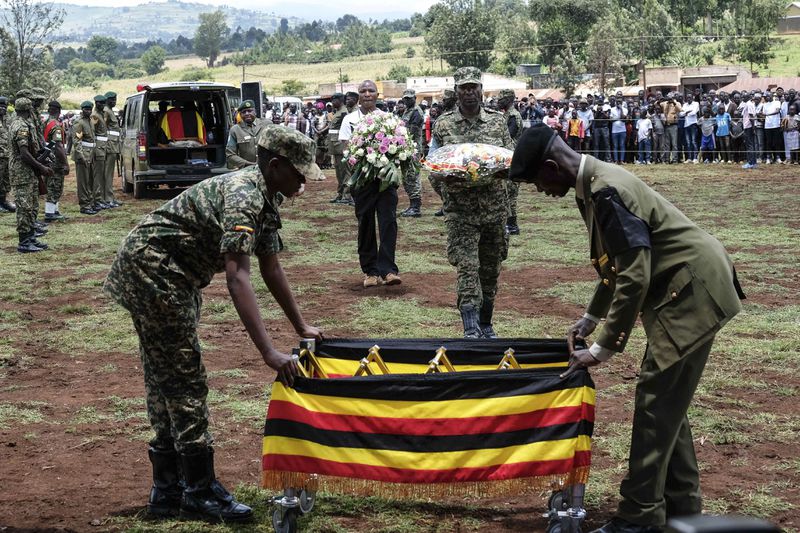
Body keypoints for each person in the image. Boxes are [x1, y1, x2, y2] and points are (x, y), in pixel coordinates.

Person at [508, 125, 744, 533]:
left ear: (551, 167)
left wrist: (601, 348)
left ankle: (639, 518)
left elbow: (634, 276)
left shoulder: (606, 191)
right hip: (685, 286)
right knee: (667, 405)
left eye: (536, 182)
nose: (540, 191)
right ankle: (683, 508)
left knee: (655, 405)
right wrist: (591, 316)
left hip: (692, 291)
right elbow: (615, 264)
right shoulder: (595, 183)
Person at [103, 125, 322, 523]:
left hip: (167, 272)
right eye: (300, 172)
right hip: (156, 271)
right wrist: (268, 352)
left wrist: (301, 326)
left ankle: (167, 490)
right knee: (183, 377)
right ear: (275, 166)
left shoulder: (265, 195)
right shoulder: (243, 196)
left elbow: (270, 266)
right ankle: (198, 492)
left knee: (165, 375)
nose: (305, 181)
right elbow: (238, 276)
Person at [430, 66, 512, 338]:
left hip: (495, 209)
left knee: (490, 270)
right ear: (456, 91)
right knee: (467, 268)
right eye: (463, 87)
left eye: (473, 86)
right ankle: (471, 329)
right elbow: (433, 167)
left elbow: (513, 160)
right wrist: (447, 191)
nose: (469, 92)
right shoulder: (443, 125)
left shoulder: (498, 122)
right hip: (461, 213)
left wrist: (506, 182)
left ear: (481, 89)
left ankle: (486, 324)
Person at [339, 79, 402, 288]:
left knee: (388, 223)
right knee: (365, 224)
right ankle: (370, 271)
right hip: (362, 181)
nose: (367, 94)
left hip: (385, 181)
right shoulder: (349, 119)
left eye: (371, 91)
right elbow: (345, 147)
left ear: (377, 95)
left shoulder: (388, 119)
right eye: (363, 91)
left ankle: (389, 270)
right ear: (359, 96)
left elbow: (398, 145)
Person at [9, 97, 53, 252]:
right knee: (24, 207)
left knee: (32, 204)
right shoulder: (21, 126)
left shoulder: (22, 123)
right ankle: (24, 242)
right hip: (22, 172)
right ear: (28, 110)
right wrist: (41, 167)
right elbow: (24, 153)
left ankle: (31, 237)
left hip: (28, 172)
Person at [497, 88, 523, 235]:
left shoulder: (512, 116)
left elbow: (508, 135)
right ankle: (509, 222)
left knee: (511, 193)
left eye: (501, 98)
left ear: (508, 99)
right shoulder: (507, 115)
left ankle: (512, 225)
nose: (499, 101)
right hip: (508, 157)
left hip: (512, 158)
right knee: (506, 192)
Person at [399, 88, 424, 218]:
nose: (407, 100)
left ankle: (416, 207)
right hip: (406, 148)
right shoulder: (407, 111)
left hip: (413, 149)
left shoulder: (416, 112)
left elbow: (411, 132)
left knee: (412, 176)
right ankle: (412, 205)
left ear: (415, 98)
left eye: (409, 98)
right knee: (407, 177)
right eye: (405, 98)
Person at [43, 100, 70, 222]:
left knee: (51, 184)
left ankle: (54, 210)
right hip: (55, 159)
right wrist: (65, 163)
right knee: (55, 185)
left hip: (47, 158)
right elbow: (58, 146)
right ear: (59, 112)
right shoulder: (56, 126)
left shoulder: (45, 123)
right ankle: (50, 213)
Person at [71, 101, 98, 214]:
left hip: (90, 154)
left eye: (89, 109)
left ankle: (90, 202)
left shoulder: (90, 121)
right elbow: (77, 141)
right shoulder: (79, 122)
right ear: (82, 110)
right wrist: (81, 156)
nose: (88, 111)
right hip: (83, 155)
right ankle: (84, 205)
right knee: (83, 182)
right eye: (86, 109)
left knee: (90, 180)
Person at [327, 93, 352, 205]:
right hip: (335, 144)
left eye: (334, 100)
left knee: (345, 171)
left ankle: (347, 195)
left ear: (340, 100)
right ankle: (340, 193)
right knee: (338, 171)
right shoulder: (337, 112)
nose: (332, 102)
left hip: (341, 144)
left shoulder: (344, 112)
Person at [225, 100, 265, 169]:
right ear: (240, 115)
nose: (247, 114)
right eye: (243, 112)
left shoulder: (266, 124)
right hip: (246, 170)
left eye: (249, 111)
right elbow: (230, 154)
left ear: (255, 112)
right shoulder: (235, 130)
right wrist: (247, 164)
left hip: (267, 169)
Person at [103, 91, 122, 208]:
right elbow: (102, 129)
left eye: (115, 99)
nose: (114, 102)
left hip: (113, 145)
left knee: (110, 173)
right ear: (107, 100)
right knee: (107, 173)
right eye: (112, 100)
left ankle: (110, 197)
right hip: (109, 145)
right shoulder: (106, 111)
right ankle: (107, 198)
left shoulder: (110, 111)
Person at [91, 94, 110, 211]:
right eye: (100, 103)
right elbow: (91, 133)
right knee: (97, 175)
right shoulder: (95, 116)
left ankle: (101, 199)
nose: (102, 105)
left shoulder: (101, 114)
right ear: (96, 103)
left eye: (103, 103)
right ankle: (97, 200)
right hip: (98, 148)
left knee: (102, 174)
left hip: (103, 147)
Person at [0, 96, 16, 213]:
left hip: (7, 156)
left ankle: (3, 201)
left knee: (6, 181)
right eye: (1, 106)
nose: (3, 109)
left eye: (5, 106)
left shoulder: (9, 119)